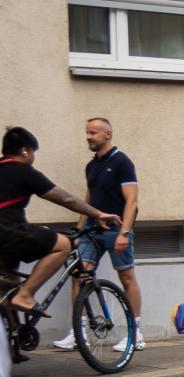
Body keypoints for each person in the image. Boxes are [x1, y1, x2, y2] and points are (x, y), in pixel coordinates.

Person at [0, 126, 121, 318]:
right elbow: (66, 199)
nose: (32, 157)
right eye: (32, 152)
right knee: (63, 245)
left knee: (8, 283)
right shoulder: (24, 171)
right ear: (25, 150)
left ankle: (13, 337)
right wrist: (97, 214)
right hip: (8, 232)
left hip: (8, 236)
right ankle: (26, 295)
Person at [53, 117, 141, 352]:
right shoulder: (92, 165)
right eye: (87, 133)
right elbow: (89, 199)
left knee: (126, 278)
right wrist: (80, 229)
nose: (88, 137)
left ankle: (137, 333)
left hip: (116, 229)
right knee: (80, 276)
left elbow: (131, 201)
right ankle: (79, 332)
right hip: (92, 231)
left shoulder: (122, 162)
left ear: (107, 134)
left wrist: (124, 232)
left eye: (93, 132)